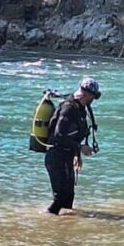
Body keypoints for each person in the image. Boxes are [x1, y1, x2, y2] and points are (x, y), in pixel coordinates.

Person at [43, 77, 100, 215]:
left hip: (67, 155)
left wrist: (77, 154)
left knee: (69, 198)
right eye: (93, 96)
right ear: (86, 94)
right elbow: (58, 135)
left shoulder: (81, 108)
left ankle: (65, 229)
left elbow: (73, 134)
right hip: (56, 156)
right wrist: (80, 148)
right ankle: (46, 220)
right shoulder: (68, 108)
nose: (93, 100)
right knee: (60, 199)